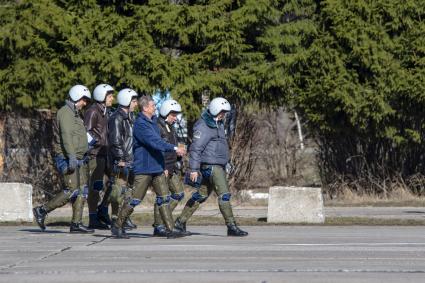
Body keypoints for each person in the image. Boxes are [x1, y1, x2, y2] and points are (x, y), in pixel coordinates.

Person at [111, 95, 186, 239]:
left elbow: (159, 143)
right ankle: (118, 225)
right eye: (152, 105)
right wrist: (175, 148)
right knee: (135, 199)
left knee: (164, 198)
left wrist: (166, 161)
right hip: (144, 168)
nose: (155, 107)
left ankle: (169, 229)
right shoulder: (140, 124)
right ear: (145, 108)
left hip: (157, 167)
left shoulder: (152, 122)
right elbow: (155, 142)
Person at [174, 97, 248, 237]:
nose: (223, 115)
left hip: (216, 165)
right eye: (221, 112)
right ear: (214, 109)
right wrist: (194, 169)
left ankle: (179, 222)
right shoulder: (204, 125)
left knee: (200, 195)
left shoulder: (217, 124)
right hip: (211, 167)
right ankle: (231, 226)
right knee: (224, 195)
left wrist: (226, 164)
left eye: (225, 112)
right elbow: (195, 149)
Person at [33, 85, 94, 233]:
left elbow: (77, 136)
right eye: (84, 100)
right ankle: (42, 210)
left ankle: (76, 223)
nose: (85, 103)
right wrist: (72, 156)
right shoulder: (65, 112)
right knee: (72, 190)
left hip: (80, 158)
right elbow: (66, 136)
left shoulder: (76, 114)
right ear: (76, 97)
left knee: (82, 190)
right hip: (67, 158)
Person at [152, 99, 190, 237]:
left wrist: (179, 156)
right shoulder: (158, 126)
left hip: (171, 166)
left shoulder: (170, 126)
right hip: (163, 167)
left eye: (176, 115)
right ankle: (158, 226)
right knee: (162, 197)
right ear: (166, 113)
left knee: (178, 194)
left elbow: (171, 147)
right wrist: (164, 166)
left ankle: (162, 221)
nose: (175, 117)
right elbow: (159, 148)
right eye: (173, 114)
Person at [103, 88, 138, 230]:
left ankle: (124, 218)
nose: (136, 104)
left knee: (128, 191)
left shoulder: (130, 117)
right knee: (118, 192)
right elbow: (115, 141)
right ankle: (116, 220)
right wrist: (121, 158)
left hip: (130, 159)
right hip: (121, 160)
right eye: (134, 101)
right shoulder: (117, 118)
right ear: (126, 101)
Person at [84, 84, 114, 229]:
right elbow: (87, 133)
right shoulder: (93, 111)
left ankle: (103, 209)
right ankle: (93, 218)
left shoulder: (106, 112)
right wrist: (96, 141)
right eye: (109, 96)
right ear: (101, 96)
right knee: (95, 187)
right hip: (95, 155)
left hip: (106, 154)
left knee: (114, 183)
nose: (112, 98)